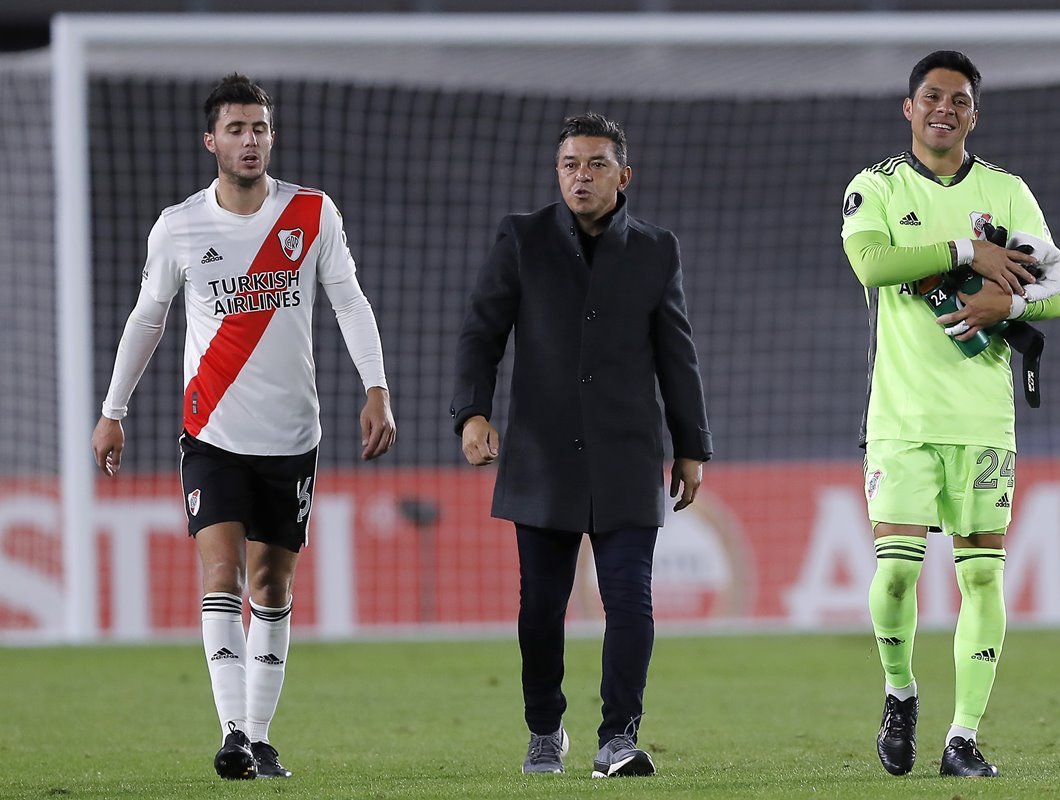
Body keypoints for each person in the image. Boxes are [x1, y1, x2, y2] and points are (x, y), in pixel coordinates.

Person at [91, 73, 396, 781]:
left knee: (273, 588)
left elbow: (350, 302)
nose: (250, 139)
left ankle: (260, 737)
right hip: (212, 434)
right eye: (236, 128)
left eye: (259, 127)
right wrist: (113, 412)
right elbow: (148, 319)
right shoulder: (179, 226)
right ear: (211, 141)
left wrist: (376, 389)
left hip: (293, 437)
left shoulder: (312, 214)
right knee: (221, 572)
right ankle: (232, 732)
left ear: (271, 136)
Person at [451, 112, 712, 778]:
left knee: (631, 599)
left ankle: (617, 738)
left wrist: (692, 446)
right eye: (570, 164)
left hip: (626, 455)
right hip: (541, 456)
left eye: (596, 164)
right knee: (539, 609)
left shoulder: (658, 248)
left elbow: (676, 355)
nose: (582, 176)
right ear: (557, 172)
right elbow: (482, 332)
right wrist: (471, 413)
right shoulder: (522, 238)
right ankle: (545, 728)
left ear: (623, 176)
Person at [840, 51, 1060, 778]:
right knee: (897, 577)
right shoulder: (875, 186)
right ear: (909, 108)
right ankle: (900, 692)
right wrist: (965, 250)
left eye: (960, 100)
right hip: (902, 418)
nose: (945, 108)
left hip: (980, 420)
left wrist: (1012, 300)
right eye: (932, 96)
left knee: (980, 579)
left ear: (975, 114)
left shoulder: (1008, 192)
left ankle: (963, 738)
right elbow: (873, 266)